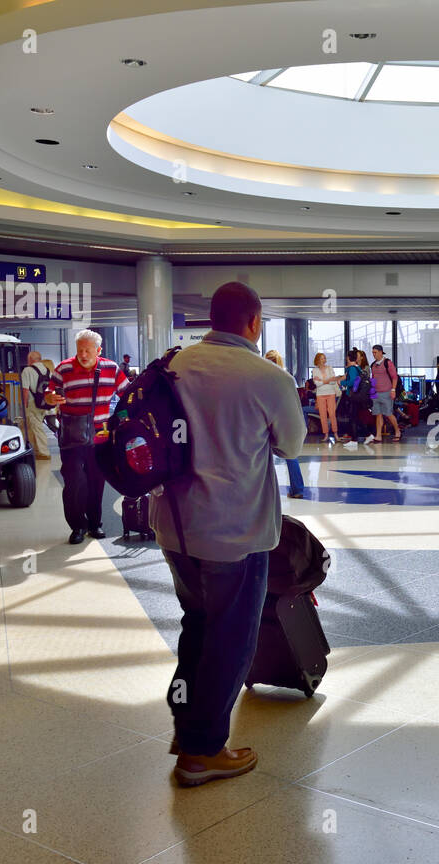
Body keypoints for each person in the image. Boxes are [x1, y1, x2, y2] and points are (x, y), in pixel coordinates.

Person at [151, 281, 305, 786]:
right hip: (234, 532)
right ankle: (202, 753)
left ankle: (188, 727)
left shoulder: (172, 365)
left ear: (210, 319)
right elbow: (291, 446)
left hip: (174, 527)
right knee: (231, 640)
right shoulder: (267, 377)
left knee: (196, 626)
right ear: (254, 323)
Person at [44, 329, 128, 544]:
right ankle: (77, 527)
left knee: (96, 482)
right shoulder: (63, 368)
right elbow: (49, 394)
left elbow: (127, 395)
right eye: (80, 350)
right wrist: (51, 398)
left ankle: (94, 524)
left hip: (100, 435)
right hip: (72, 435)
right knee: (74, 482)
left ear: (98, 350)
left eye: (87, 350)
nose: (83, 354)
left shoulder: (111, 368)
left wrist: (125, 418)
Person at [265, 350, 306, 497]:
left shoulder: (261, 378)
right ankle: (297, 489)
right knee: (291, 455)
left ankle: (266, 493)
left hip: (266, 420)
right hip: (285, 421)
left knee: (263, 456)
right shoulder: (288, 379)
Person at [19, 351, 53, 461]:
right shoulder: (48, 370)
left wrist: (24, 405)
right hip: (44, 402)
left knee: (36, 427)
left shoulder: (27, 370)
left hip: (32, 402)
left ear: (30, 360)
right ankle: (25, 449)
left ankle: (44, 452)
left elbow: (25, 390)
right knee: (26, 426)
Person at [369, 344, 401, 443]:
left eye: (375, 352)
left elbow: (394, 377)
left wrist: (393, 390)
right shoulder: (373, 365)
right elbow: (373, 378)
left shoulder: (388, 363)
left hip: (386, 392)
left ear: (380, 352)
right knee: (378, 414)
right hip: (376, 393)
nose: (373, 354)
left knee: (388, 414)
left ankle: (397, 431)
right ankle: (378, 435)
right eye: (372, 353)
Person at [312, 352, 341, 444]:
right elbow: (317, 384)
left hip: (331, 393)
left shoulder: (330, 368)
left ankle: (336, 434)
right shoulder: (315, 370)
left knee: (332, 414)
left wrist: (323, 381)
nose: (324, 360)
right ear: (318, 360)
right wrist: (328, 380)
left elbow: (333, 382)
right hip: (320, 395)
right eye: (322, 358)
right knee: (323, 415)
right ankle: (326, 435)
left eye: (324, 358)